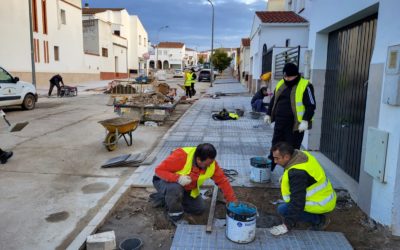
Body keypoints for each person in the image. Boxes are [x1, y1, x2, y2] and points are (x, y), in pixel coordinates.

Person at [151, 143, 237, 224]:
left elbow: (223, 181)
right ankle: (175, 216)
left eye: (211, 163)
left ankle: (168, 199)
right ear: (198, 160)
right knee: (174, 189)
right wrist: (178, 178)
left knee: (199, 209)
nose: (210, 166)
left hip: (187, 188)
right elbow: (159, 170)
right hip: (163, 181)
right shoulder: (181, 156)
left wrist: (232, 202)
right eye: (207, 164)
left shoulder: (211, 164)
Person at [268, 142, 336, 236]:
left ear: (287, 157)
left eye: (277, 158)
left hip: (321, 203)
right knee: (287, 206)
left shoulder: (297, 174)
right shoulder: (300, 155)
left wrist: (287, 225)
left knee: (283, 209)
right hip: (325, 196)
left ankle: (320, 220)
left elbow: (297, 202)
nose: (275, 161)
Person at [265, 63, 316, 170]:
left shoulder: (305, 85)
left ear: (296, 75)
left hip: (295, 125)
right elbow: (274, 100)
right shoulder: (281, 84)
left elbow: (311, 105)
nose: (287, 79)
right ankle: (269, 168)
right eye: (285, 76)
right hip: (280, 122)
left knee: (291, 149)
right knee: (275, 145)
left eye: (289, 77)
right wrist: (268, 114)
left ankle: (290, 172)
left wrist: (305, 121)